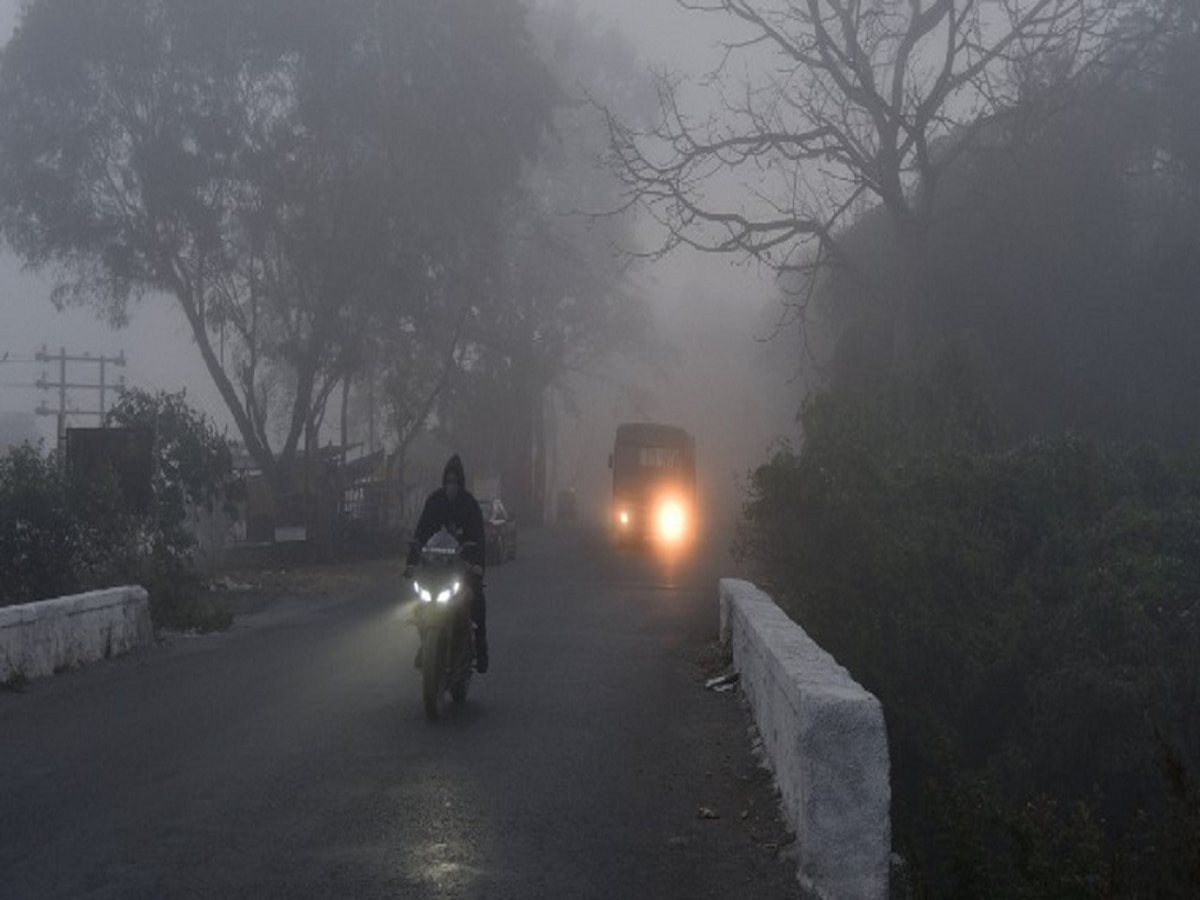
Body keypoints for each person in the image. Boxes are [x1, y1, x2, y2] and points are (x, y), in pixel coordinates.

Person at [404, 454, 489, 673]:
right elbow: (420, 533)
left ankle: (480, 648)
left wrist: (477, 565)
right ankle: (426, 645)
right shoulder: (434, 502)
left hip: (461, 569)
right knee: (418, 605)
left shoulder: (469, 505)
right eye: (448, 480)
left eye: (455, 481)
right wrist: (412, 562)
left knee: (477, 599)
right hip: (434, 568)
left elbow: (478, 537)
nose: (452, 484)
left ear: (461, 482)